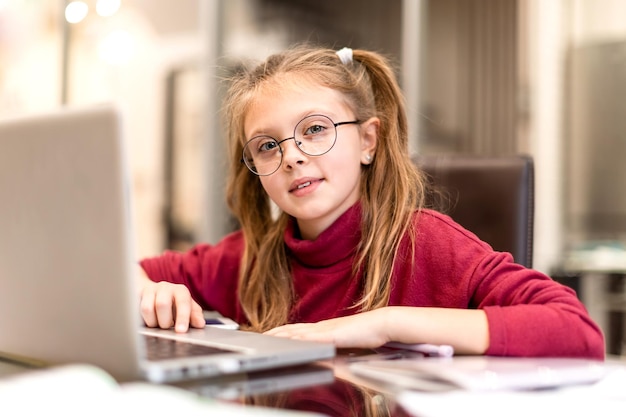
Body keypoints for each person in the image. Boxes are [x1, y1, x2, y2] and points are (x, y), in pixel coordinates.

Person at [139, 44, 604, 359]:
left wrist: (383, 324)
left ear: (368, 141)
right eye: (267, 145)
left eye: (315, 130)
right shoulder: (248, 257)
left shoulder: (429, 244)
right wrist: (151, 292)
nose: (292, 157)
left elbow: (576, 331)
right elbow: (117, 276)